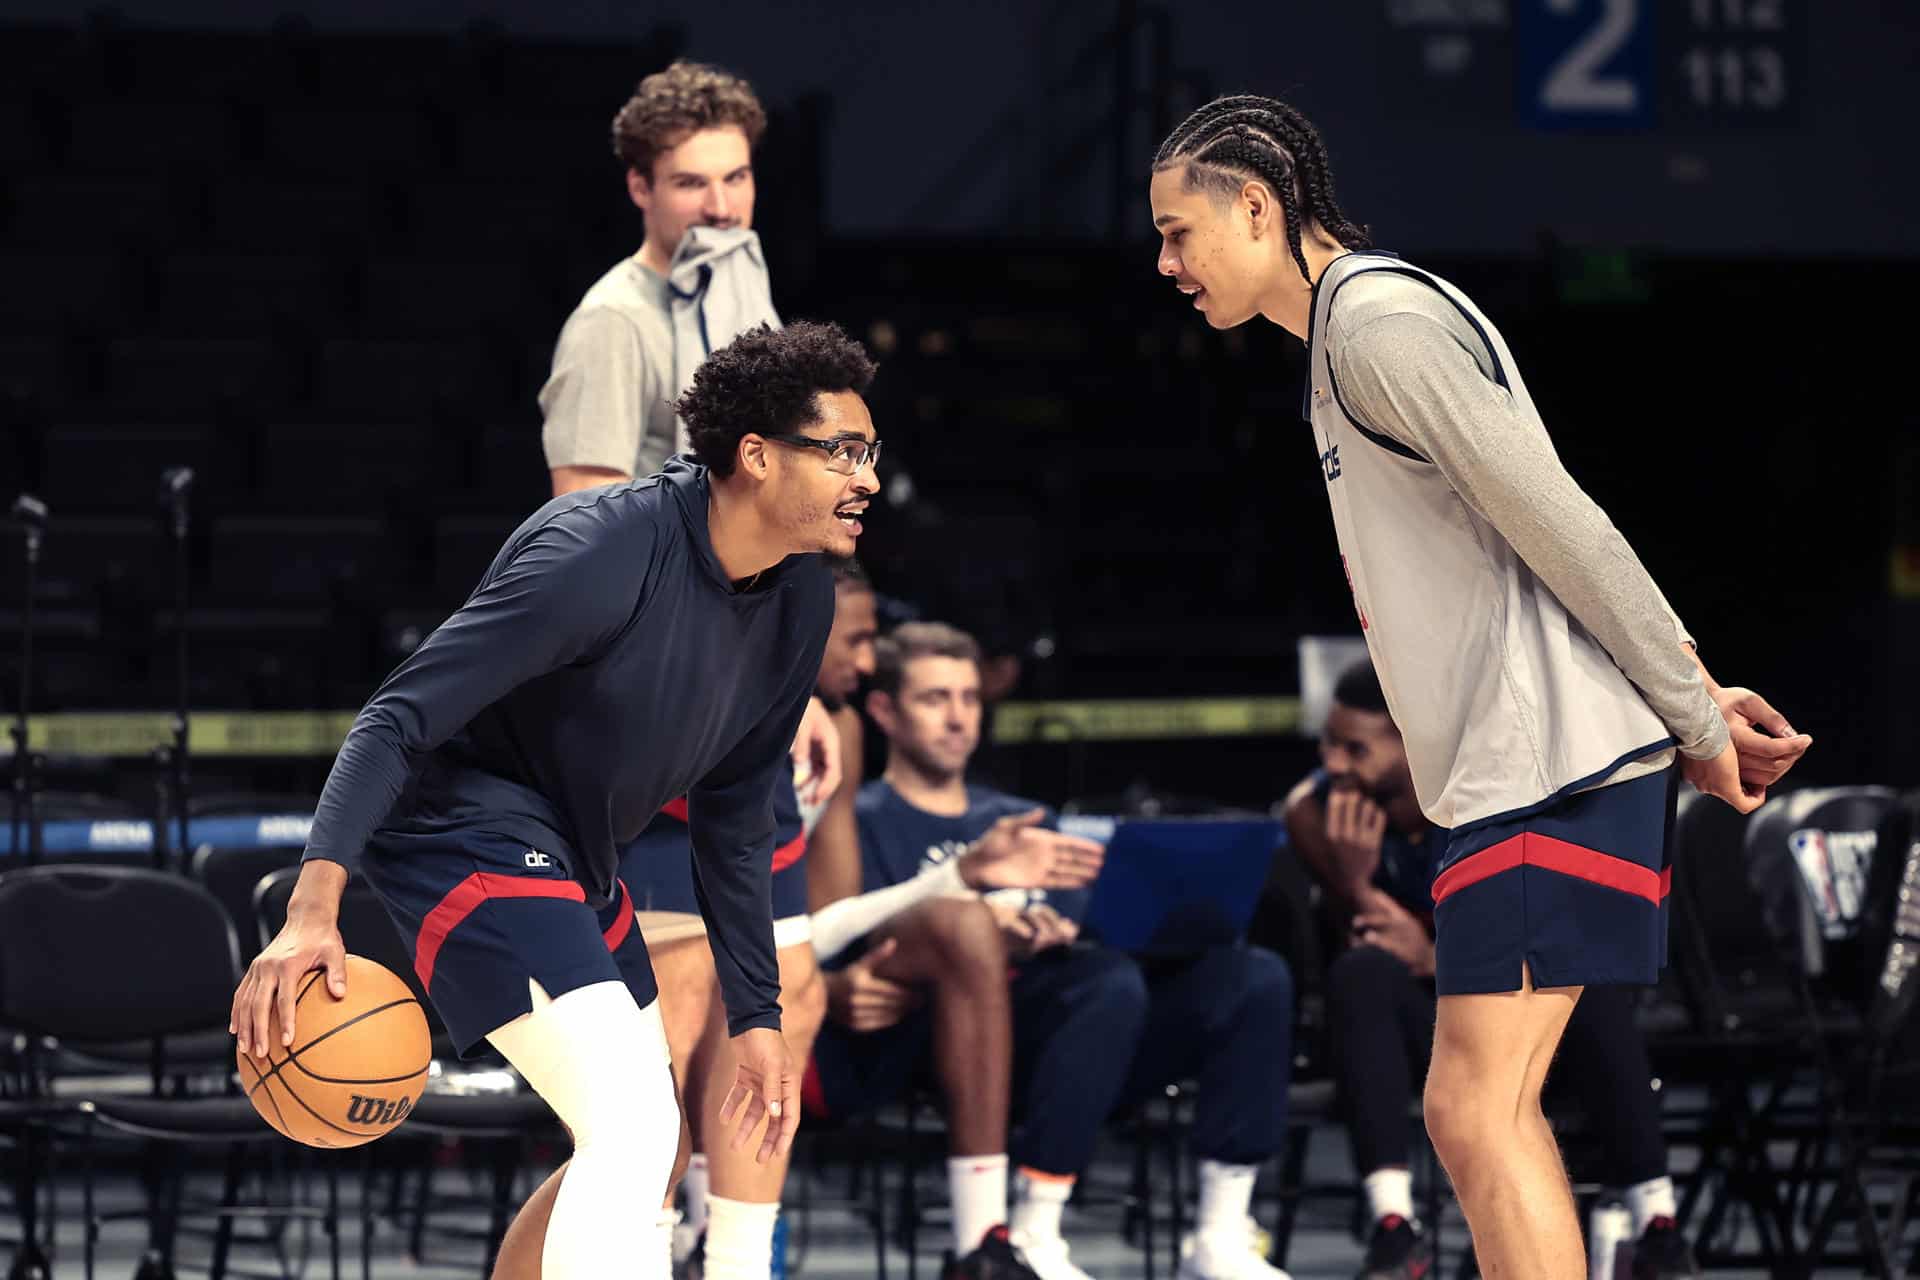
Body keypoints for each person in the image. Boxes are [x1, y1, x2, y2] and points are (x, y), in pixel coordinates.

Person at [1147, 95, 1813, 1277]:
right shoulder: (1352, 334)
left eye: (1177, 231)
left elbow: (1567, 524)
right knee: (1482, 1107)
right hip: (1526, 763)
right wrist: (1693, 686)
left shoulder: (1380, 328)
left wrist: (1694, 708)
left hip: (1548, 762)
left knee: (1472, 1107)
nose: (1167, 263)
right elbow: (1538, 535)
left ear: (1255, 206)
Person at [232, 322, 881, 1280]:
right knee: (631, 1122)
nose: (866, 477)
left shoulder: (802, 599)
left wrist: (757, 1018)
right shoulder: (603, 548)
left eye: (870, 452)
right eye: (842, 452)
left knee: (636, 1141)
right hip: (460, 828)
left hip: (574, 852)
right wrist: (311, 910)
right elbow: (396, 718)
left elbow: (736, 818)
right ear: (754, 455)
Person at [822, 621, 1296, 1280]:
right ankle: (1034, 1231)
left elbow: (1083, 920)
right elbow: (859, 935)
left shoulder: (1026, 816)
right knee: (1106, 984)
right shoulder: (863, 818)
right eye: (935, 699)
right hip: (934, 1040)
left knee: (1252, 977)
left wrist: (1067, 927)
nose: (959, 718)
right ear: (885, 711)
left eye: (968, 698)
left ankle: (1222, 1234)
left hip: (1076, 1034)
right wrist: (982, 924)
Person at [1282, 661, 1700, 1279]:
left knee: (1584, 982)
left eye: (1354, 748)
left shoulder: (1474, 802)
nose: (1335, 764)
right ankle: (1393, 1226)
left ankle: (1656, 1223)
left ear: (1409, 738)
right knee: (1361, 974)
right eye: (1328, 744)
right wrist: (1354, 883)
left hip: (1511, 1009)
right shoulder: (1325, 812)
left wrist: (1432, 955)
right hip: (1415, 1029)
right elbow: (1355, 906)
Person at [542, 58, 780, 496]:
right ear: (640, 188)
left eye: (736, 177)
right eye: (691, 183)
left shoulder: (744, 295)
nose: (721, 208)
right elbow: (586, 524)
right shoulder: (612, 321)